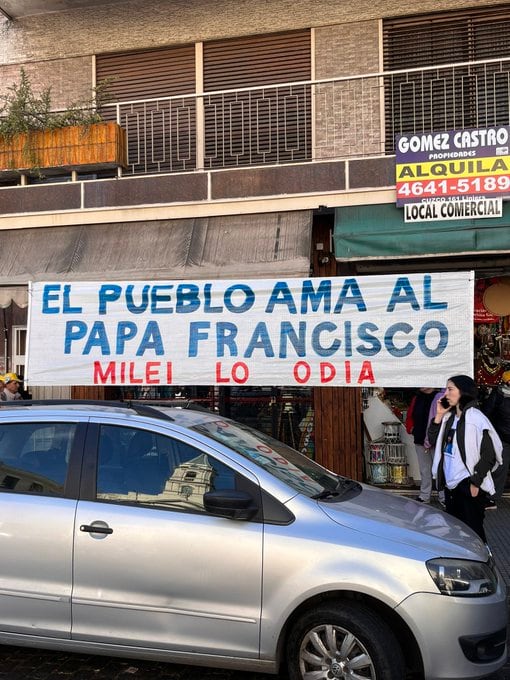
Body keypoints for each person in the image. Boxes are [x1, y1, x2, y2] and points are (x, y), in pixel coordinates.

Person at [428, 374, 502, 542]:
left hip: (467, 485)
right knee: (455, 533)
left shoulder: (475, 418)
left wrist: (475, 483)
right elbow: (432, 440)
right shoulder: (449, 418)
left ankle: (485, 564)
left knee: (473, 534)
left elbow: (489, 454)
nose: (446, 393)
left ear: (463, 392)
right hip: (451, 485)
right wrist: (438, 415)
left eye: (450, 389)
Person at [482, 369, 510, 509]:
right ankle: (491, 497)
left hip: (503, 433)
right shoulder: (498, 395)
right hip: (503, 436)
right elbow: (487, 413)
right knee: (499, 467)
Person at [405, 388, 438, 503]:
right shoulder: (416, 398)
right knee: (424, 469)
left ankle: (444, 497)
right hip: (420, 438)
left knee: (440, 470)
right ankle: (424, 496)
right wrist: (412, 429)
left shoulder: (440, 396)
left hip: (436, 440)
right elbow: (409, 417)